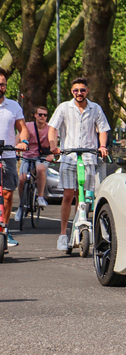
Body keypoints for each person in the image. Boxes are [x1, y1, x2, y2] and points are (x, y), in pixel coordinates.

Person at [48, 77, 110, 251]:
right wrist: (53, 146)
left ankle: (80, 224)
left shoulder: (95, 108)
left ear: (87, 91)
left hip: (88, 156)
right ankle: (62, 234)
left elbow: (103, 129)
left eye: (82, 90)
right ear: (71, 92)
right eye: (76, 90)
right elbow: (52, 128)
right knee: (68, 194)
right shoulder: (64, 108)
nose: (79, 93)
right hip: (69, 156)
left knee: (83, 196)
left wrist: (102, 146)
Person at [0, 67, 29, 247]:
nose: (0, 87)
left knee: (8, 194)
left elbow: (23, 128)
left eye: (2, 84)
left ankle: (5, 228)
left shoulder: (13, 106)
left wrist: (23, 141)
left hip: (8, 154)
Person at [15, 106, 54, 222]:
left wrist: (52, 153)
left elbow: (53, 142)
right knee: (22, 179)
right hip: (27, 156)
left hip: (41, 157)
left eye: (45, 115)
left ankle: (40, 197)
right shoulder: (27, 126)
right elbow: (18, 140)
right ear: (35, 115)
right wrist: (16, 149)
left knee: (41, 169)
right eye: (40, 114)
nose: (42, 117)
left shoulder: (50, 129)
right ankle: (21, 206)